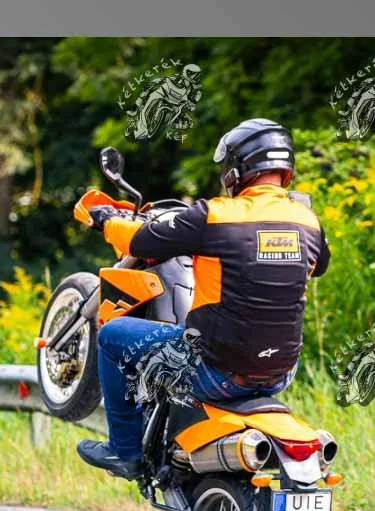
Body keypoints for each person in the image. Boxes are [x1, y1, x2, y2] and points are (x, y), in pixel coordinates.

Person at [77, 118, 332, 479]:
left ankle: (124, 451)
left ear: (237, 169)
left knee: (111, 335)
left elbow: (140, 241)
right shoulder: (308, 221)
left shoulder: (215, 215)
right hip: (279, 373)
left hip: (215, 371)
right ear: (284, 169)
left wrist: (105, 220)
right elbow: (319, 265)